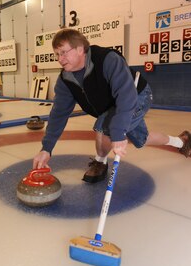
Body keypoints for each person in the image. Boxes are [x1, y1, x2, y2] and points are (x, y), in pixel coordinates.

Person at [33, 28, 191, 183]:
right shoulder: (65, 80)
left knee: (105, 127)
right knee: (141, 140)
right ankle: (182, 141)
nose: (60, 59)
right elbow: (58, 114)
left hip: (136, 95)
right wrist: (46, 148)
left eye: (64, 52)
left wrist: (118, 132)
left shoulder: (107, 59)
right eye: (57, 54)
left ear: (80, 49)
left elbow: (125, 96)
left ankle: (100, 161)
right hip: (113, 106)